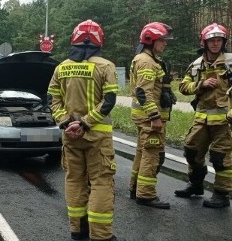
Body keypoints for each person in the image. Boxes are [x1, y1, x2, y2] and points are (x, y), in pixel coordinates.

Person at [48, 20, 119, 241]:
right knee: (101, 182)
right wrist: (86, 123)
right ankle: (101, 236)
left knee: (74, 180)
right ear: (99, 40)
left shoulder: (61, 67)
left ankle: (78, 232)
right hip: (97, 136)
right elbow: (109, 101)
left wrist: (66, 123)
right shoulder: (106, 66)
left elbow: (52, 99)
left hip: (70, 136)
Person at [175, 23, 232, 208]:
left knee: (220, 157)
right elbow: (183, 87)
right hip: (202, 119)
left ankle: (222, 194)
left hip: (225, 121)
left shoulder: (230, 62)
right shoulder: (197, 64)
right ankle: (196, 185)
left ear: (224, 42)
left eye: (219, 40)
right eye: (211, 40)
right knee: (191, 151)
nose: (215, 44)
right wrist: (200, 84)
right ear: (204, 42)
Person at [128, 22, 176, 209]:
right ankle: (146, 194)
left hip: (144, 117)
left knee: (142, 153)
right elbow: (143, 92)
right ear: (151, 40)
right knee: (152, 156)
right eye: (162, 40)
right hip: (150, 119)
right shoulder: (147, 61)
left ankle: (135, 188)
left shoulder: (146, 58)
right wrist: (154, 116)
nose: (165, 44)